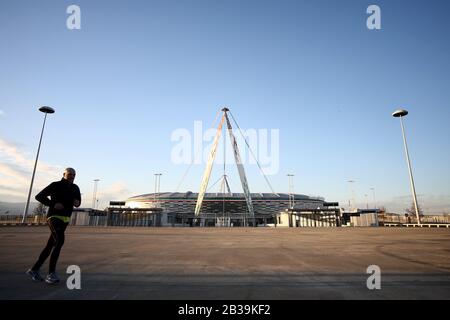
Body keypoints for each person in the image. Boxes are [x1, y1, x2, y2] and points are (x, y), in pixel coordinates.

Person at [26, 168, 81, 284]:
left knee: (50, 244)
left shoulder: (75, 188)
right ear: (64, 174)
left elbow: (78, 202)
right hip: (54, 217)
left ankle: (34, 269)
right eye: (70, 174)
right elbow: (39, 196)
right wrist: (53, 204)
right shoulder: (56, 185)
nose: (72, 176)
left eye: (74, 175)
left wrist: (77, 203)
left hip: (65, 219)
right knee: (60, 241)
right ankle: (51, 274)